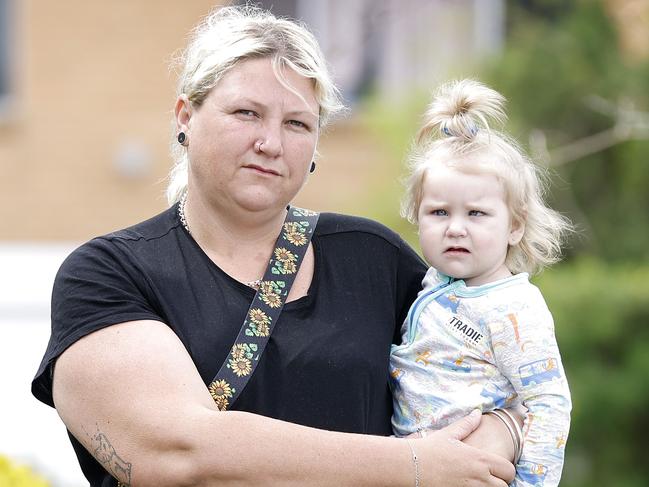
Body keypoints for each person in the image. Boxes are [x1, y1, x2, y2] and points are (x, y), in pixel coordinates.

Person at [32, 6, 519, 487]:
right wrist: (414, 466)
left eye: (297, 124)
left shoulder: (373, 258)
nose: (271, 143)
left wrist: (502, 436)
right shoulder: (109, 274)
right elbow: (178, 452)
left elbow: (505, 383)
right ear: (186, 116)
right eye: (247, 113)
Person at [389, 79, 572, 487]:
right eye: (438, 212)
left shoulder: (513, 308)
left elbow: (548, 403)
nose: (455, 228)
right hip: (411, 467)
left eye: (476, 214)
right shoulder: (432, 282)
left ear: (515, 226)